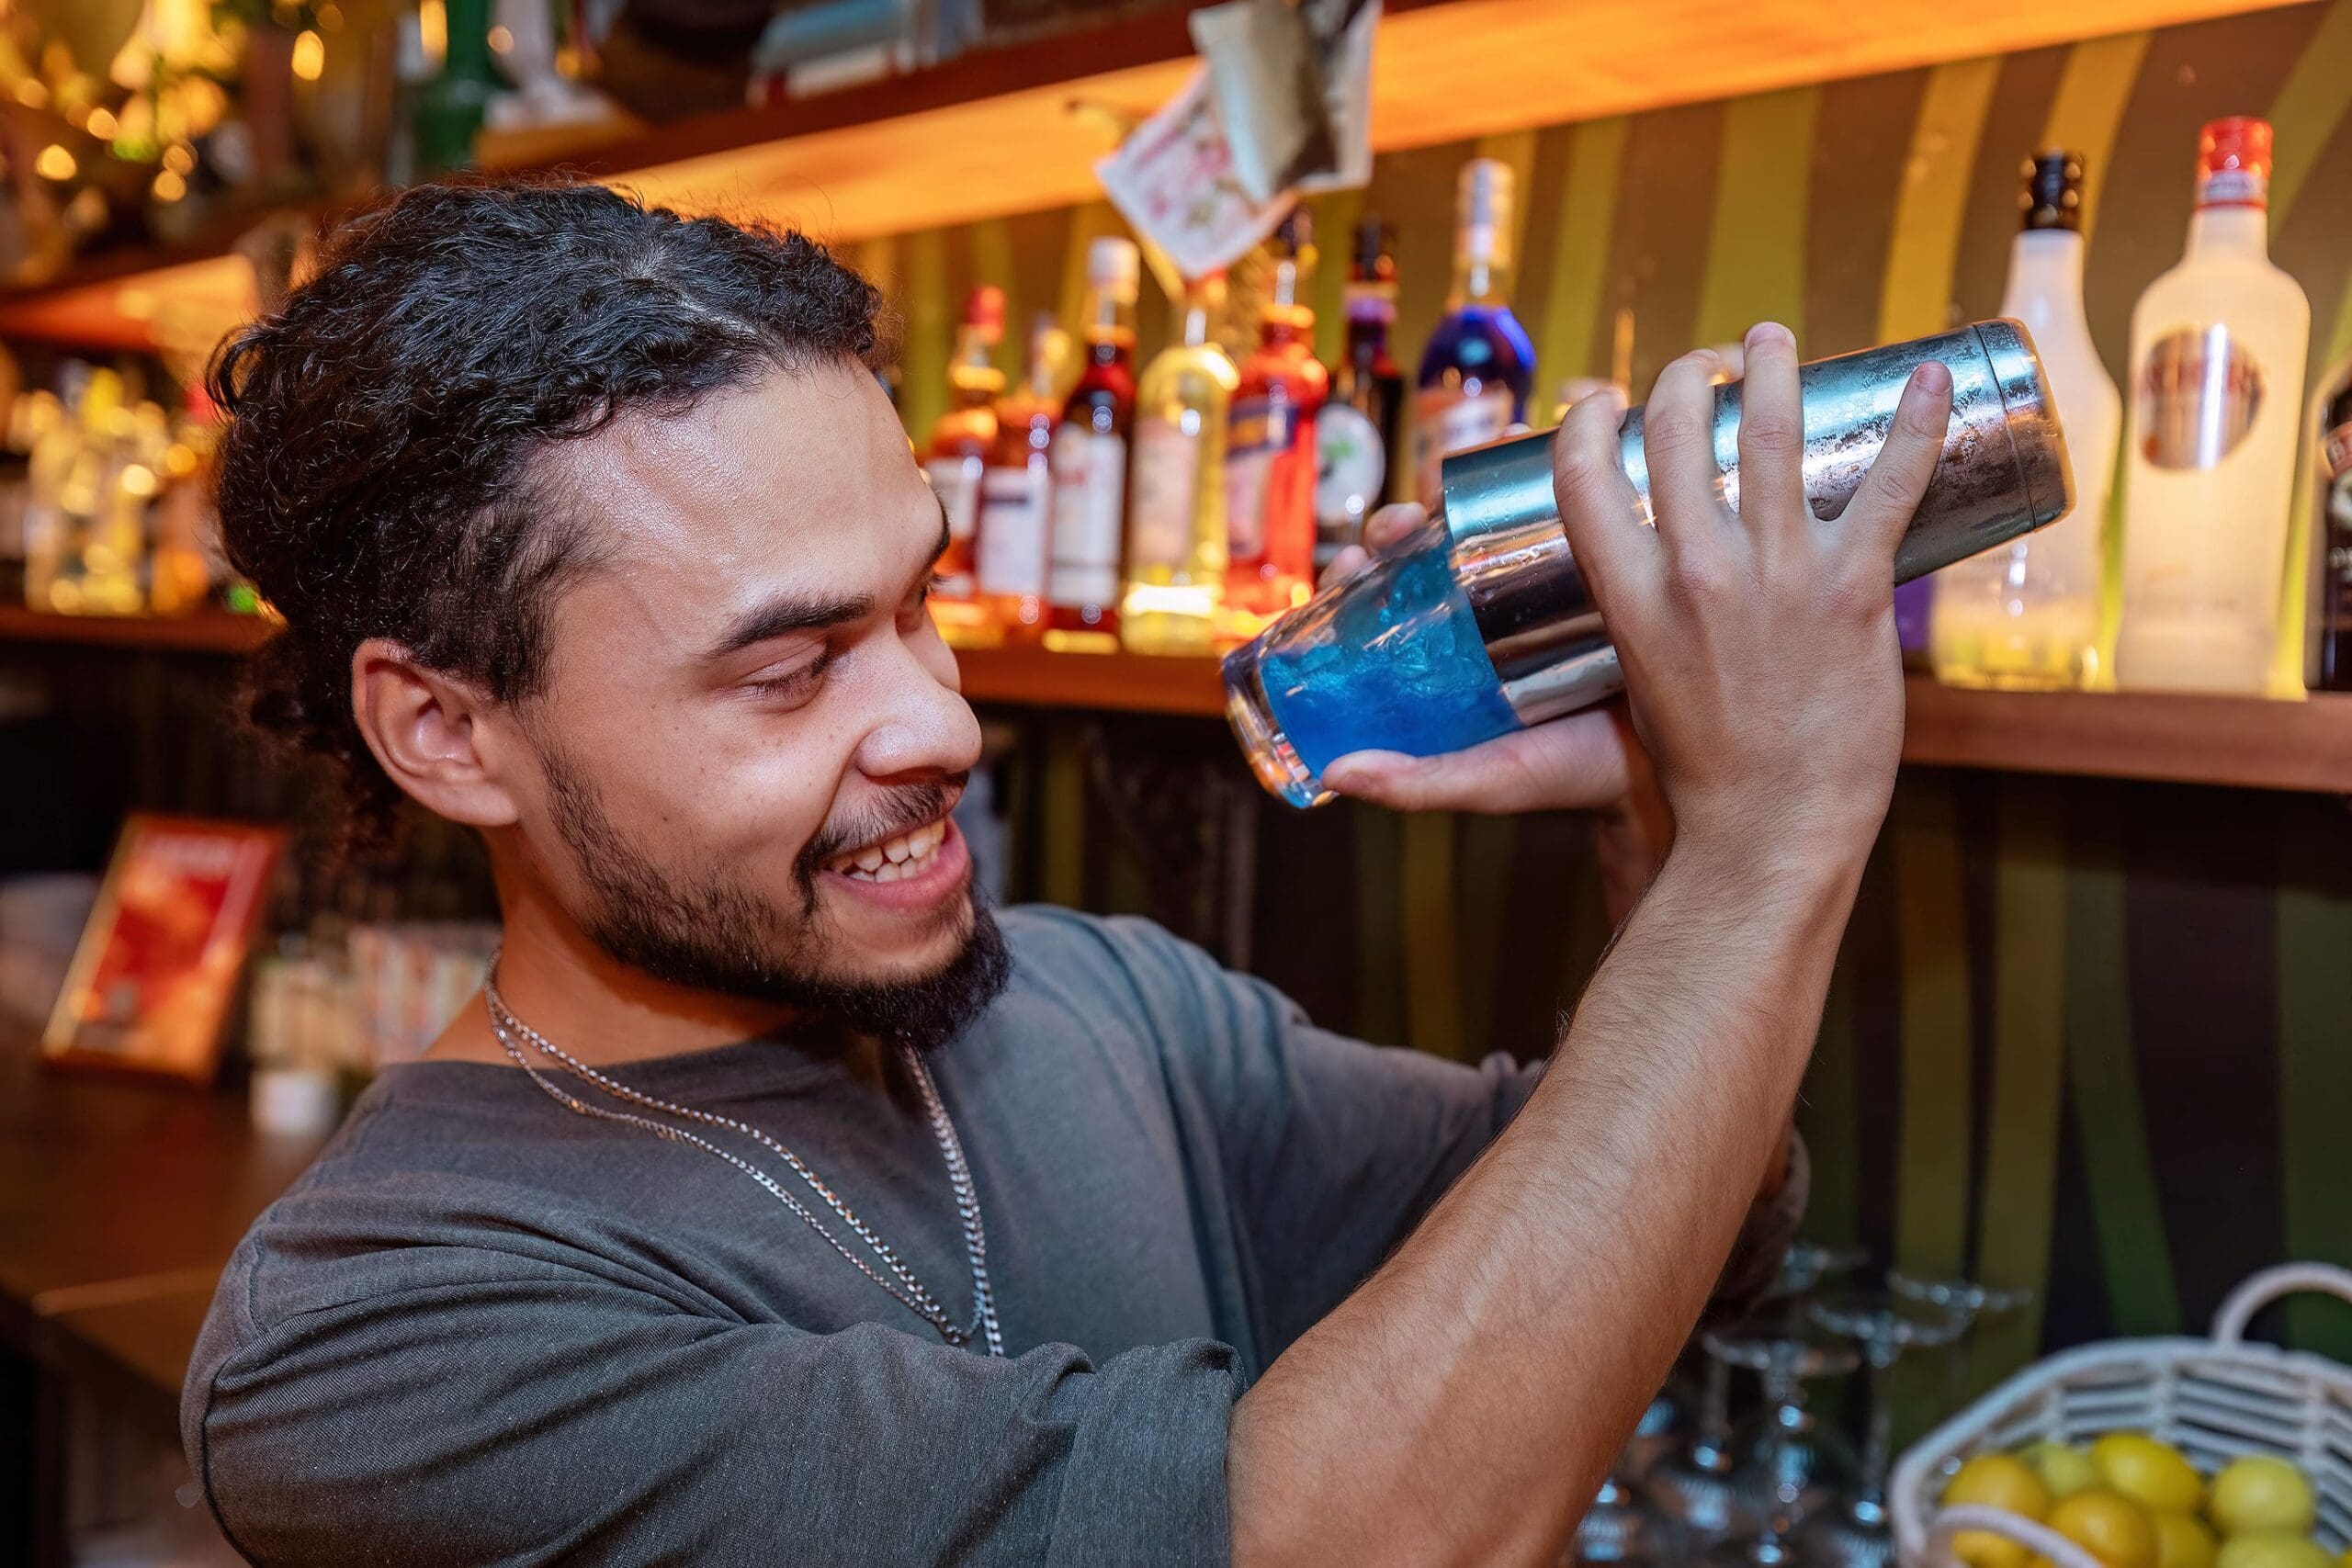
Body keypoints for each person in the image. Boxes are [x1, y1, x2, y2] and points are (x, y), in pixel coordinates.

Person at [182, 182, 1952, 1567]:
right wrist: (1769, 835)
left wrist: (1658, 819)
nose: (941, 723)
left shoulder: (1105, 1003)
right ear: (444, 729)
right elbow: (1344, 1540)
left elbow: (1685, 1222)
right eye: (792, 669)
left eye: (920, 604)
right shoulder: (379, 1341)